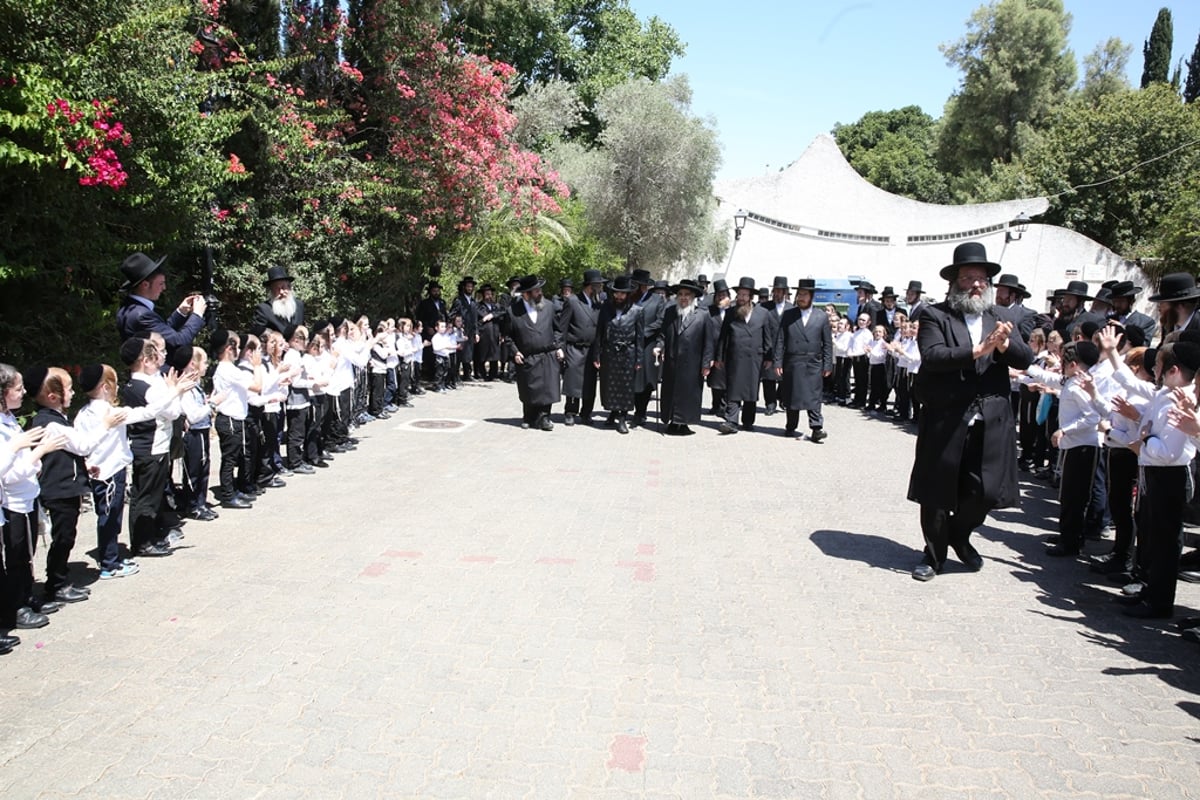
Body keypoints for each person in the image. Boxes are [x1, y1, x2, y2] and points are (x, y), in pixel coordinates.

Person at [908, 242, 1034, 581]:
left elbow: (1025, 359)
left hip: (990, 418)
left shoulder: (1003, 318)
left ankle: (958, 535)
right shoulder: (936, 315)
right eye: (968, 278)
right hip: (947, 416)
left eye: (981, 279)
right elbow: (932, 357)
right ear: (955, 283)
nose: (975, 284)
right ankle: (934, 556)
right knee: (936, 491)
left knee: (987, 491)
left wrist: (1004, 346)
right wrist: (978, 350)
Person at [115, 252, 207, 359]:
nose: (164, 288)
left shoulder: (131, 308)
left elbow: (163, 334)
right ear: (145, 285)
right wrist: (197, 315)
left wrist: (181, 312)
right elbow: (178, 342)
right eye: (161, 283)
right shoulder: (141, 315)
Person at [773, 278, 832, 442]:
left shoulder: (821, 316)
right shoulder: (789, 314)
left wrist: (827, 364)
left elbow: (827, 343)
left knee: (814, 396)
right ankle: (791, 426)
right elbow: (780, 340)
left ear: (811, 296)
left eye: (804, 294)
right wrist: (777, 361)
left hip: (813, 362)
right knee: (792, 396)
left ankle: (816, 428)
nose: (801, 297)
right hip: (793, 361)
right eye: (799, 294)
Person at [503, 275, 564, 430]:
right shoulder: (513, 311)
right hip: (527, 357)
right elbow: (508, 336)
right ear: (526, 294)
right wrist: (515, 352)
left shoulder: (549, 306)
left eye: (540, 290)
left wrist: (559, 347)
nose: (540, 293)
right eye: (536, 291)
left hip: (547, 355)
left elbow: (558, 330)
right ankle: (529, 417)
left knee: (547, 389)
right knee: (529, 389)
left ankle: (545, 418)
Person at [715, 277, 775, 434]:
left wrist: (769, 357)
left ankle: (748, 421)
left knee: (751, 389)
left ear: (750, 297)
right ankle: (731, 421)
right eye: (739, 294)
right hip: (734, 357)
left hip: (755, 358)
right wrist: (719, 357)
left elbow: (768, 337)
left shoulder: (763, 313)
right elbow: (723, 337)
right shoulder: (730, 313)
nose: (741, 298)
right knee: (733, 388)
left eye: (744, 295)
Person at [654, 279, 713, 435]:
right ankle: (673, 421)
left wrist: (706, 363)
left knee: (688, 393)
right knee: (671, 391)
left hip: (693, 363)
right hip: (672, 362)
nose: (683, 297)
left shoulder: (703, 314)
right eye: (680, 294)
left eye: (687, 294)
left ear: (693, 296)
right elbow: (662, 335)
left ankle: (685, 423)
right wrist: (659, 347)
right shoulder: (670, 312)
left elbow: (709, 341)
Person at [593, 276, 644, 434]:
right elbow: (599, 333)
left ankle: (622, 418)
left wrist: (639, 359)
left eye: (622, 294)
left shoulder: (638, 310)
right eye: (616, 293)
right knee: (610, 385)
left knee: (625, 387)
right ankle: (613, 412)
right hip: (610, 353)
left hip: (628, 353)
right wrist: (597, 355)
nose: (619, 297)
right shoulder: (606, 308)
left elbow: (640, 337)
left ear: (628, 294)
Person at [559, 270, 603, 426]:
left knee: (590, 383)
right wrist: (561, 348)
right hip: (574, 347)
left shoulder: (598, 304)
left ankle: (586, 413)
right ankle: (570, 411)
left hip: (591, 349)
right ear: (590, 286)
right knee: (573, 381)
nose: (600, 288)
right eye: (598, 285)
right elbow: (562, 328)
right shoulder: (572, 301)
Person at [630, 269, 666, 428]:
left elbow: (660, 321)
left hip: (647, 344)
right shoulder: (629, 298)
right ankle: (621, 410)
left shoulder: (657, 300)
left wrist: (643, 333)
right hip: (628, 344)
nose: (638, 288)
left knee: (645, 380)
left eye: (640, 285)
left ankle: (641, 412)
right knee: (629, 379)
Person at [761, 276, 792, 416]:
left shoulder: (792, 308)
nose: (778, 294)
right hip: (768, 346)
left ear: (785, 292)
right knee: (768, 377)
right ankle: (770, 403)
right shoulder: (764, 307)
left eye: (781, 291)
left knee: (785, 376)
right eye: (776, 291)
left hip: (786, 348)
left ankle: (783, 399)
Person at [252, 265, 306, 334]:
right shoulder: (263, 310)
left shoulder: (299, 305)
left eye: (283, 287)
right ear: (271, 291)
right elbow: (259, 336)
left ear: (289, 288)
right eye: (277, 289)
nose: (281, 292)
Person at [706, 279, 732, 414]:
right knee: (715, 380)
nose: (722, 297)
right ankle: (716, 404)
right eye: (719, 295)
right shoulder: (709, 311)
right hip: (714, 349)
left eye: (724, 295)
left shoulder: (734, 311)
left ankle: (725, 405)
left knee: (728, 380)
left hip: (730, 351)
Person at [448, 277, 478, 382]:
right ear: (464, 287)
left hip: (470, 331)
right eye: (468, 286)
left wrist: (476, 332)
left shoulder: (474, 302)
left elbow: (475, 319)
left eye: (471, 286)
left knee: (469, 353)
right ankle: (455, 376)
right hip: (460, 330)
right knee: (459, 353)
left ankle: (467, 374)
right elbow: (452, 314)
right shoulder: (459, 300)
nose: (470, 288)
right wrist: (456, 325)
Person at [475, 285, 504, 381]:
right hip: (484, 333)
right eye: (487, 294)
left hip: (495, 333)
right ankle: (481, 374)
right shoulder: (478, 306)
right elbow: (481, 317)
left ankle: (493, 375)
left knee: (494, 354)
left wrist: (492, 315)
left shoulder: (496, 306)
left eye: (490, 294)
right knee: (482, 354)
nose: (489, 296)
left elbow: (502, 312)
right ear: (483, 295)